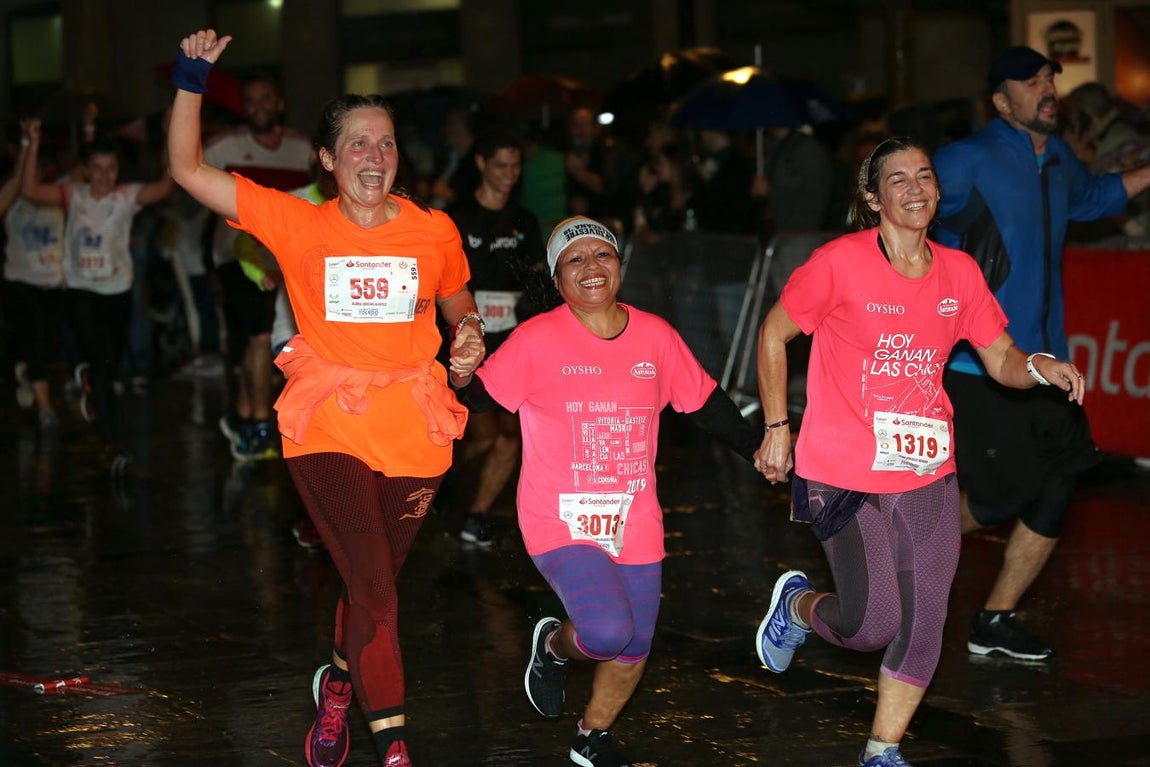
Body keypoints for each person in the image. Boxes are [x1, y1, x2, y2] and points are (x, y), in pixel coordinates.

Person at [168, 29, 485, 767]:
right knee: (376, 589)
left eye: (386, 142)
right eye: (358, 144)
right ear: (328, 159)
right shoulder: (296, 222)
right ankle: (394, 748)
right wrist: (190, 79)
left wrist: (469, 333)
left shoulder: (433, 229)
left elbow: (457, 300)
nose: (375, 155)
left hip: (414, 427)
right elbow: (185, 168)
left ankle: (338, 686)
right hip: (330, 422)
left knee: (372, 587)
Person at [752, 136, 1087, 767]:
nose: (915, 189)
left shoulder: (958, 271)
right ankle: (797, 606)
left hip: (927, 468)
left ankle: (882, 751)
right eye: (898, 179)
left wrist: (1038, 366)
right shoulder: (838, 262)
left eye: (925, 176)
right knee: (872, 624)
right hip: (842, 471)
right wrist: (777, 426)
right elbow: (773, 333)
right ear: (873, 198)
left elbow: (1001, 357)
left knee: (926, 617)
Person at [452, 216, 761, 766]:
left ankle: (590, 735)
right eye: (575, 259)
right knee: (606, 630)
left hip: (634, 517)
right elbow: (478, 397)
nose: (591, 267)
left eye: (603, 255)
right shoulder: (537, 338)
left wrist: (762, 450)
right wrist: (459, 372)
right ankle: (554, 645)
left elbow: (707, 404)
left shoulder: (656, 336)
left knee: (635, 644)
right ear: (557, 278)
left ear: (620, 264)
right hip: (557, 518)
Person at [932, 46, 1150, 661]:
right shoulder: (966, 160)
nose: (1048, 88)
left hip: (1048, 363)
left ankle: (995, 618)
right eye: (1031, 82)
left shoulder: (1057, 158)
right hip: (981, 362)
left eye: (1050, 77)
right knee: (1005, 494)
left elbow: (1095, 197)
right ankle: (902, 541)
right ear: (1001, 101)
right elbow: (900, 212)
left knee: (1061, 481)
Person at [20, 120, 175, 472]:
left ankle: (93, 384)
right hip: (81, 292)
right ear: (86, 171)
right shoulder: (73, 195)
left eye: (111, 168)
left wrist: (170, 133)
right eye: (97, 168)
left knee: (109, 366)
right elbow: (29, 190)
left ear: (118, 169)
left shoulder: (126, 197)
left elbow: (166, 186)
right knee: (102, 366)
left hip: (117, 293)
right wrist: (32, 141)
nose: (104, 176)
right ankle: (113, 442)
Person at [444, 126, 558, 546]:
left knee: (510, 436)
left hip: (512, 339)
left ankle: (476, 516)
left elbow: (536, 278)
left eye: (515, 167)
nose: (509, 175)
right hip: (467, 340)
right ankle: (442, 483)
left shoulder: (524, 221)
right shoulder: (456, 217)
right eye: (501, 166)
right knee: (481, 436)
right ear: (481, 164)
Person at [205, 72, 314, 461]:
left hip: (288, 259)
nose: (258, 107)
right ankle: (258, 423)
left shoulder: (303, 150)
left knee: (272, 337)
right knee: (258, 335)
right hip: (238, 256)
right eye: (250, 101)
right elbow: (187, 173)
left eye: (265, 98)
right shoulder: (224, 147)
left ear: (280, 103)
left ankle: (244, 414)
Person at [3, 119, 65, 430]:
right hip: (20, 282)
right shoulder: (13, 200)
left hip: (53, 284)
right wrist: (27, 144)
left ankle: (28, 372)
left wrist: (89, 128)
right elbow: (16, 183)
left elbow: (85, 176)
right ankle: (45, 408)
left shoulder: (56, 196)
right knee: (36, 340)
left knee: (48, 344)